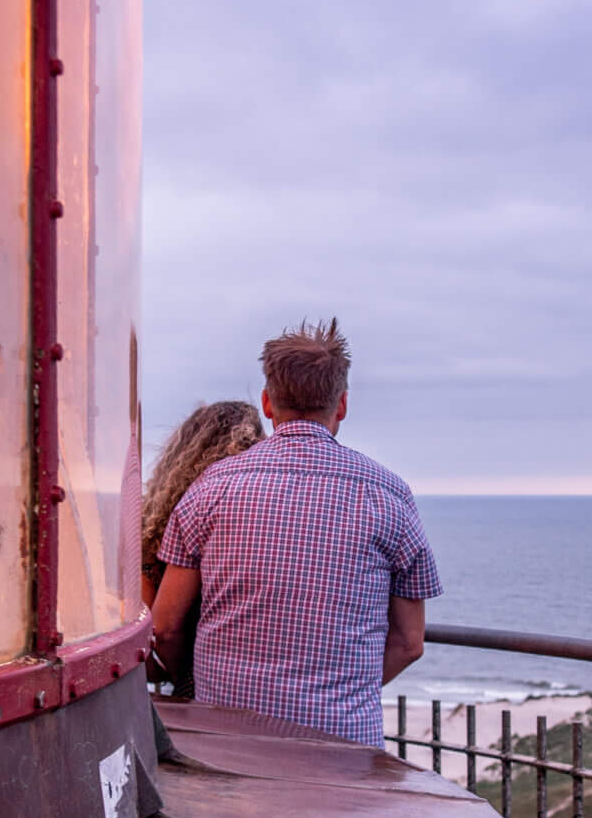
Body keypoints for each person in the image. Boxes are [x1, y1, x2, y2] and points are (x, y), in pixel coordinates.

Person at [152, 319, 440, 747]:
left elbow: (166, 627)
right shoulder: (388, 493)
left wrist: (193, 684)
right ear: (341, 405)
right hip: (341, 746)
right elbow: (409, 642)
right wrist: (343, 696)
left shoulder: (211, 486)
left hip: (224, 740)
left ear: (268, 403)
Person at [138, 400, 265, 698]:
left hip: (195, 685)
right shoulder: (247, 519)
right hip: (243, 684)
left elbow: (154, 634)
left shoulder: (153, 531)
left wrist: (181, 674)